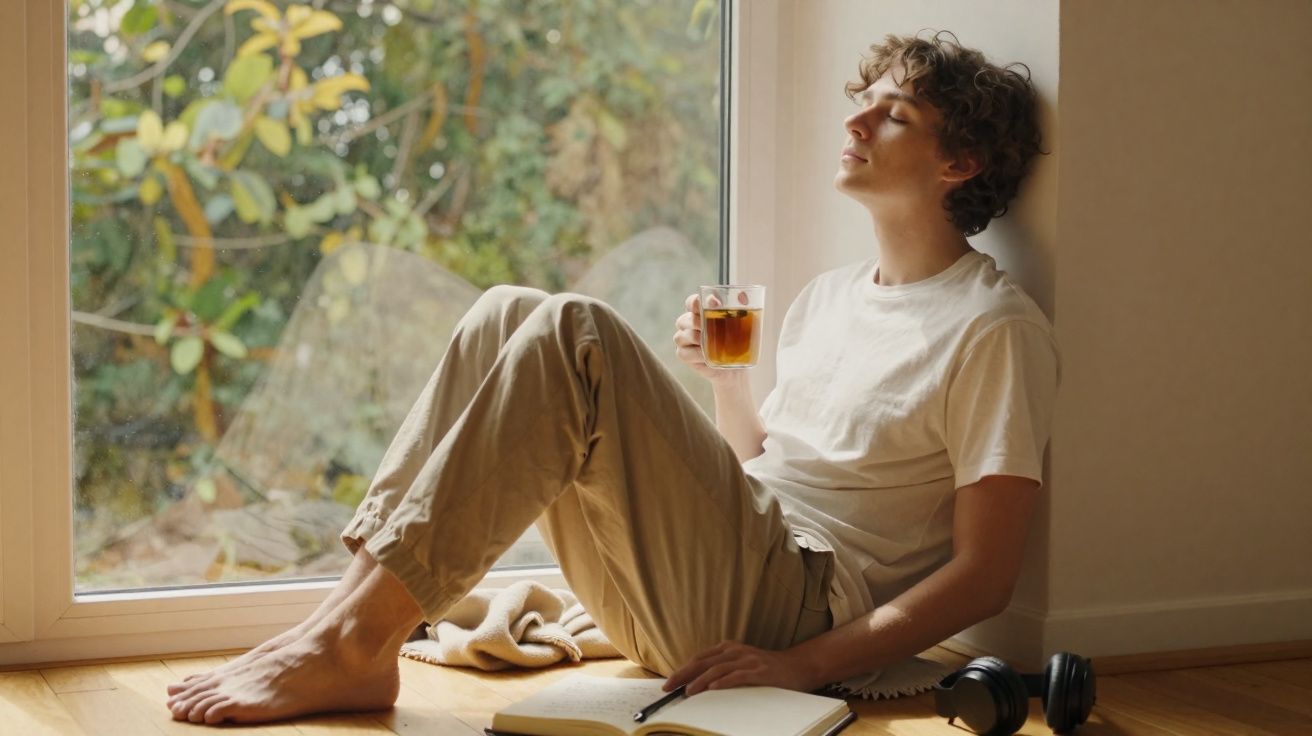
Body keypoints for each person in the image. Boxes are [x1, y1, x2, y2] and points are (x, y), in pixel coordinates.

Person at [164, 29, 1058, 725]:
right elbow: (763, 468)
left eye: (893, 115)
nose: (856, 122)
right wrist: (727, 386)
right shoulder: (829, 296)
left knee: (574, 330)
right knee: (506, 311)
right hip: (717, 581)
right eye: (862, 103)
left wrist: (800, 666)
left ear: (959, 163)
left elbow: (986, 575)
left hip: (800, 612)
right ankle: (344, 626)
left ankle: (353, 642)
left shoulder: (992, 325)